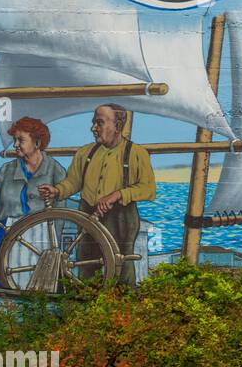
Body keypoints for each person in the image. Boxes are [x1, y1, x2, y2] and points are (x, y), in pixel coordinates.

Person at [39, 103, 155, 285]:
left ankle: (122, 307)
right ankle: (88, 304)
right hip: (87, 214)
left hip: (120, 218)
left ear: (117, 125)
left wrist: (117, 194)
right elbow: (73, 182)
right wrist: (57, 190)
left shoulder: (136, 154)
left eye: (99, 123)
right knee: (86, 265)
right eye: (94, 122)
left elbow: (148, 189)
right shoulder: (85, 153)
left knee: (122, 267)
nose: (93, 128)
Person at [0, 117, 67, 287]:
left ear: (37, 142)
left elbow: (61, 211)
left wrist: (53, 243)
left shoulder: (55, 170)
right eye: (15, 140)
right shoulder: (6, 170)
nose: (15, 144)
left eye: (20, 140)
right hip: (6, 234)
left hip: (41, 237)